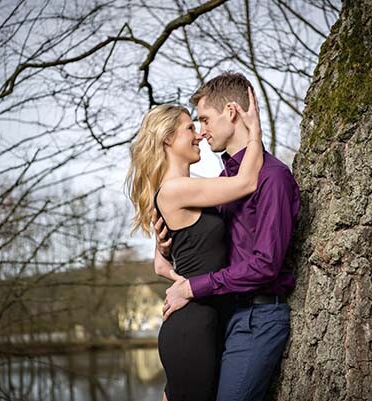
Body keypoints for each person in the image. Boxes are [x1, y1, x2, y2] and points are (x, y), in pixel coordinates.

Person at [155, 72, 300, 401]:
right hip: (224, 318)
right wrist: (165, 250)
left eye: (204, 120)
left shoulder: (272, 178)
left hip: (257, 317)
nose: (201, 131)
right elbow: (202, 242)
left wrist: (192, 287)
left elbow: (264, 265)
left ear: (232, 112)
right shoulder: (224, 180)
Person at [125, 85, 263, 401]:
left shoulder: (190, 188)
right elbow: (246, 181)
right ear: (168, 140)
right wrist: (254, 129)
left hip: (207, 322)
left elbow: (160, 264)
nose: (199, 135)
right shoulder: (174, 190)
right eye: (190, 128)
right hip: (192, 330)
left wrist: (185, 282)